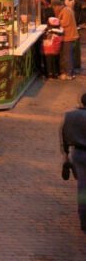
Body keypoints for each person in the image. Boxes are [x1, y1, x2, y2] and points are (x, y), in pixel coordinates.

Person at [59, 91, 86, 232]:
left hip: (78, 154)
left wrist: (66, 155)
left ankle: (83, 217)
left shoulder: (70, 115)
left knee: (83, 187)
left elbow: (63, 135)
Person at [57, 0, 79, 79]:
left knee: (67, 56)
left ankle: (69, 74)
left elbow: (65, 23)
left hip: (68, 37)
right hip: (70, 36)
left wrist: (57, 22)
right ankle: (70, 73)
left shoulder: (65, 11)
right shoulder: (67, 10)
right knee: (68, 56)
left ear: (58, 6)